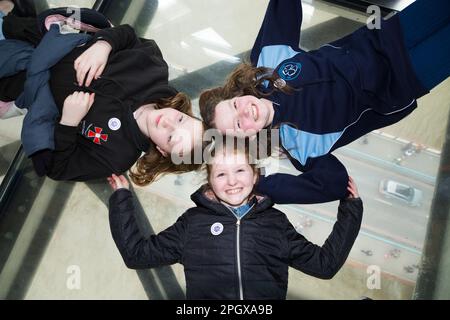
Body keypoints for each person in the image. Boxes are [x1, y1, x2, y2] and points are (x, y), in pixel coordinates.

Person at [199, 0, 450, 204]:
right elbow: (333, 184)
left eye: (234, 106)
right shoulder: (302, 148)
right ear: (249, 138)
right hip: (408, 78)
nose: (244, 114)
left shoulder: (266, 60)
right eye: (238, 126)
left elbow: (284, 7)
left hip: (388, 36)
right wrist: (256, 184)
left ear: (237, 96)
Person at [108, 139, 363, 299]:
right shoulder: (193, 224)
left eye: (240, 170)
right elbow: (137, 255)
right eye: (221, 174)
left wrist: (351, 209)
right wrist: (121, 199)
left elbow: (324, 265)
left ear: (255, 176)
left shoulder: (275, 223)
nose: (231, 181)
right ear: (210, 181)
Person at [0, 2, 203, 183]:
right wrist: (104, 45)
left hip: (15, 85)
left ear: (162, 151)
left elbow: (58, 167)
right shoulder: (154, 71)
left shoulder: (116, 156)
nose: (167, 123)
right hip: (34, 36)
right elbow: (129, 36)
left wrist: (68, 124)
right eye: (181, 121)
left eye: (171, 138)